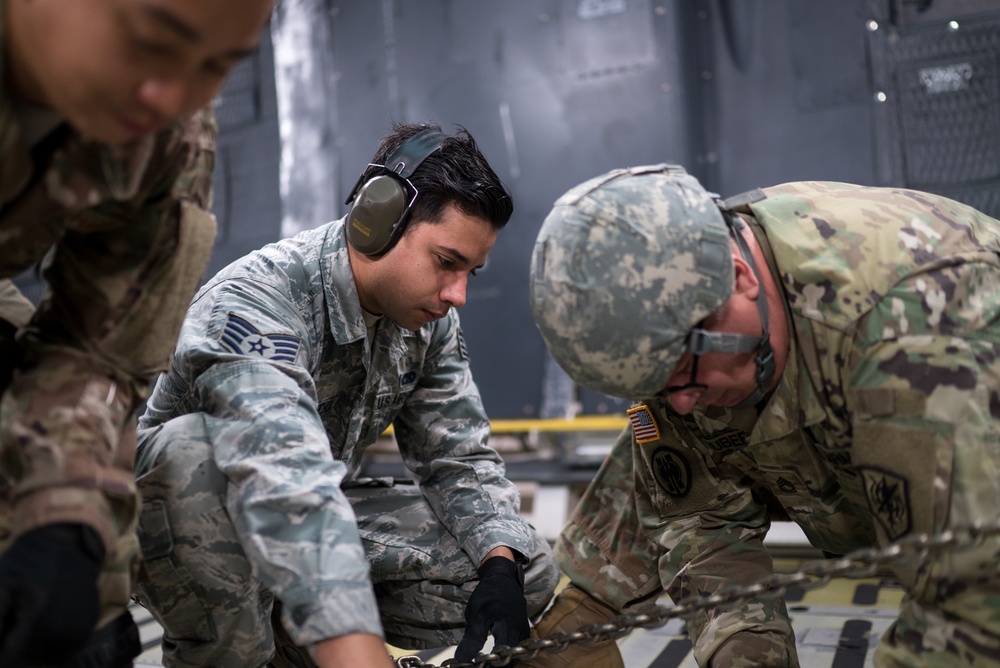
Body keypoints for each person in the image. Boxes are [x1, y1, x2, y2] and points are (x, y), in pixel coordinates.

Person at [525, 163, 1000, 666]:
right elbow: (703, 521)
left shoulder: (912, 322)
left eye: (685, 368)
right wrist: (745, 654)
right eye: (657, 388)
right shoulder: (681, 324)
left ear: (741, 277)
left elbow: (973, 603)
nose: (681, 403)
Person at [132, 121, 560, 668]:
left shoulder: (427, 322)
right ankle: (237, 649)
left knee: (525, 567)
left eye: (472, 271)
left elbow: (459, 457)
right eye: (447, 263)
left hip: (304, 509)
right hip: (185, 519)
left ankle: (288, 638)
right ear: (376, 220)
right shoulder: (257, 299)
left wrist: (499, 565)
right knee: (198, 456)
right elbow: (284, 480)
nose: (459, 294)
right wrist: (355, 649)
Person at [0, 0, 275, 665]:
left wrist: (61, 523)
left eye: (217, 66)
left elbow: (97, 348)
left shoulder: (168, 136)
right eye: (152, 42)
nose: (172, 94)